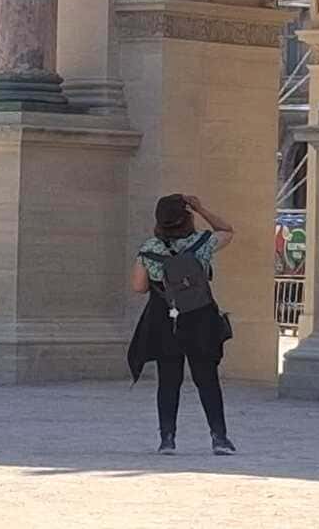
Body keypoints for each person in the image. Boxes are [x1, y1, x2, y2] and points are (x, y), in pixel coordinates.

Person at [127, 194, 236, 456]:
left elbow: (138, 287)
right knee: (207, 379)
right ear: (187, 216)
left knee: (168, 380)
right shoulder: (202, 243)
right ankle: (219, 438)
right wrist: (201, 207)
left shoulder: (150, 248)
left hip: (165, 319)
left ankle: (167, 439)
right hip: (200, 318)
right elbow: (227, 231)